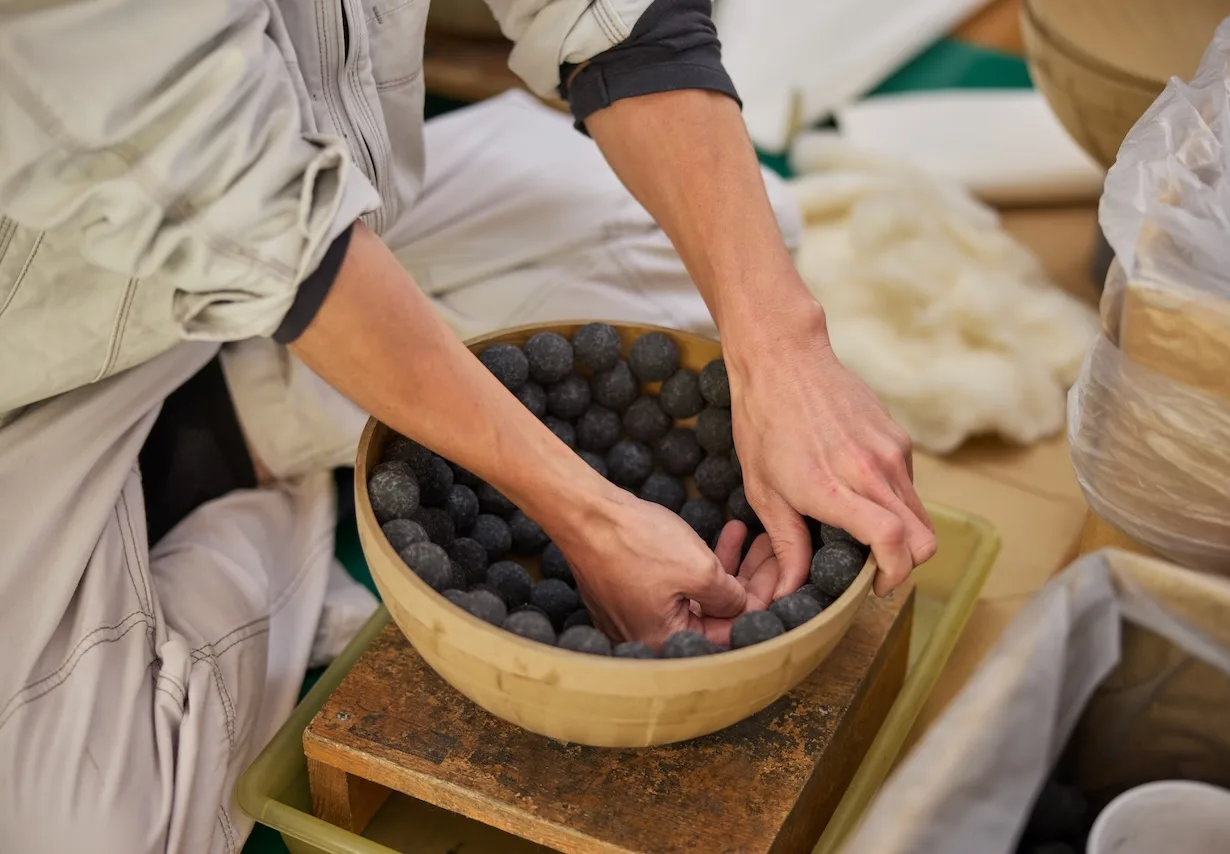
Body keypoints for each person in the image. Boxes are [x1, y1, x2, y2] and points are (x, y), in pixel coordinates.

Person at [0, 0, 935, 849]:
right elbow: (246, 219)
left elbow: (612, 20)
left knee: (744, 236)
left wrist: (785, 344)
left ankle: (235, 421)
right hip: (47, 368)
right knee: (94, 832)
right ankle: (222, 486)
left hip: (332, 234)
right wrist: (590, 517)